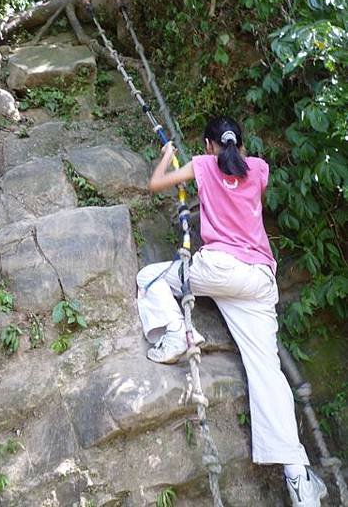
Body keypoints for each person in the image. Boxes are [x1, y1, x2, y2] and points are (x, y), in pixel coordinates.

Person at [136, 116, 327, 507]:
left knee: (150, 280)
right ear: (241, 143)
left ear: (208, 145)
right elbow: (236, 182)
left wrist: (168, 156)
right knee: (267, 374)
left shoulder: (204, 165)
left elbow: (157, 184)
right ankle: (299, 480)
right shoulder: (259, 169)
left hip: (219, 269)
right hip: (258, 280)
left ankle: (177, 334)